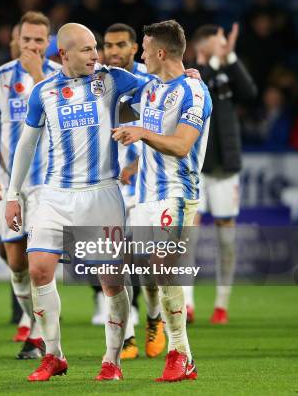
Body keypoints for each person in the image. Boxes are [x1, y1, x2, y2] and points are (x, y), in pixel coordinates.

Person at [5, 23, 147, 382]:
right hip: (55, 194)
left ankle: (112, 359)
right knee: (38, 268)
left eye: (95, 48)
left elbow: (157, 89)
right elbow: (26, 145)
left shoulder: (112, 79)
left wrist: (185, 77)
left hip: (102, 193)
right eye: (86, 49)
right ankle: (53, 355)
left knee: (111, 282)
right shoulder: (44, 92)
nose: (96, 55)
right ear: (63, 54)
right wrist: (12, 194)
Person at [112, 19, 212, 382]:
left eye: (142, 48)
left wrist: (141, 132)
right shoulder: (152, 88)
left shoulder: (194, 92)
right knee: (133, 269)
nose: (139, 54)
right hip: (144, 197)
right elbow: (116, 80)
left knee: (164, 268)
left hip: (177, 194)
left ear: (159, 52)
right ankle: (163, 345)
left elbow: (182, 145)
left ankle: (179, 354)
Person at [0, 11, 61, 359]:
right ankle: (34, 323)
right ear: (16, 39)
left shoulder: (60, 77)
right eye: (25, 39)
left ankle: (43, 337)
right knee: (15, 262)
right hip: (11, 185)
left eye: (38, 40)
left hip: (48, 184)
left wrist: (37, 75)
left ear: (48, 43)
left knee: (39, 262)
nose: (31, 45)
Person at [102, 23, 165, 361]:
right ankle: (125, 336)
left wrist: (138, 165)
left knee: (149, 266)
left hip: (142, 188)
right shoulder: (95, 84)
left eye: (121, 44)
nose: (113, 51)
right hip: (105, 190)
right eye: (108, 45)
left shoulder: (151, 83)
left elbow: (164, 131)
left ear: (133, 48)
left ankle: (154, 318)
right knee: (113, 266)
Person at [187, 23, 257, 324]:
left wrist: (232, 59)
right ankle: (186, 303)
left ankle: (221, 304)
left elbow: (250, 93)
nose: (224, 44)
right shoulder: (191, 74)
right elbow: (207, 84)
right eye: (219, 41)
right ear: (204, 46)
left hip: (226, 167)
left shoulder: (227, 69)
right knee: (189, 234)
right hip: (198, 167)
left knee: (226, 240)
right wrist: (217, 62)